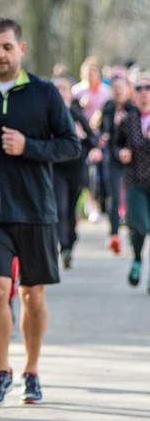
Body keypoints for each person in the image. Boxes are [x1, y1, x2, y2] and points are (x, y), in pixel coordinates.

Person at [0, 17, 80, 406]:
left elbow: (71, 145)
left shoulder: (43, 93)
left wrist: (31, 146)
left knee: (32, 296)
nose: (0, 53)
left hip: (37, 209)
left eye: (7, 46)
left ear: (21, 49)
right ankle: (1, 369)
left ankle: (32, 372)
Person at [52, 76, 98, 269]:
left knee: (70, 209)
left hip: (76, 170)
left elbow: (93, 140)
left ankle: (70, 239)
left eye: (64, 89)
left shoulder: (76, 115)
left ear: (70, 93)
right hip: (55, 169)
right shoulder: (48, 117)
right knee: (59, 208)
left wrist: (83, 136)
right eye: (57, 89)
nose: (60, 93)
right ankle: (64, 247)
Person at [113, 72, 150, 290]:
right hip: (135, 181)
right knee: (141, 226)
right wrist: (121, 153)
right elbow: (115, 147)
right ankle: (137, 257)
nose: (144, 92)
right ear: (132, 93)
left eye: (148, 87)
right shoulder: (127, 120)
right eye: (139, 88)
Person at [95, 75, 134, 253]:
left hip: (132, 159)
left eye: (121, 87)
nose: (119, 91)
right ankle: (114, 235)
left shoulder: (132, 109)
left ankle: (134, 235)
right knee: (114, 197)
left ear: (127, 88)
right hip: (111, 158)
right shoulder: (108, 107)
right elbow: (101, 129)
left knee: (131, 198)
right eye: (115, 87)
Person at [72, 57, 111, 224]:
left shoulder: (105, 92)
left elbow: (110, 112)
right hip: (81, 138)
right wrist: (80, 106)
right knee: (84, 174)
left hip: (99, 138)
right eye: (87, 73)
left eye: (93, 72)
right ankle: (86, 205)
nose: (90, 76)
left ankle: (98, 204)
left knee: (97, 173)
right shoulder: (77, 91)